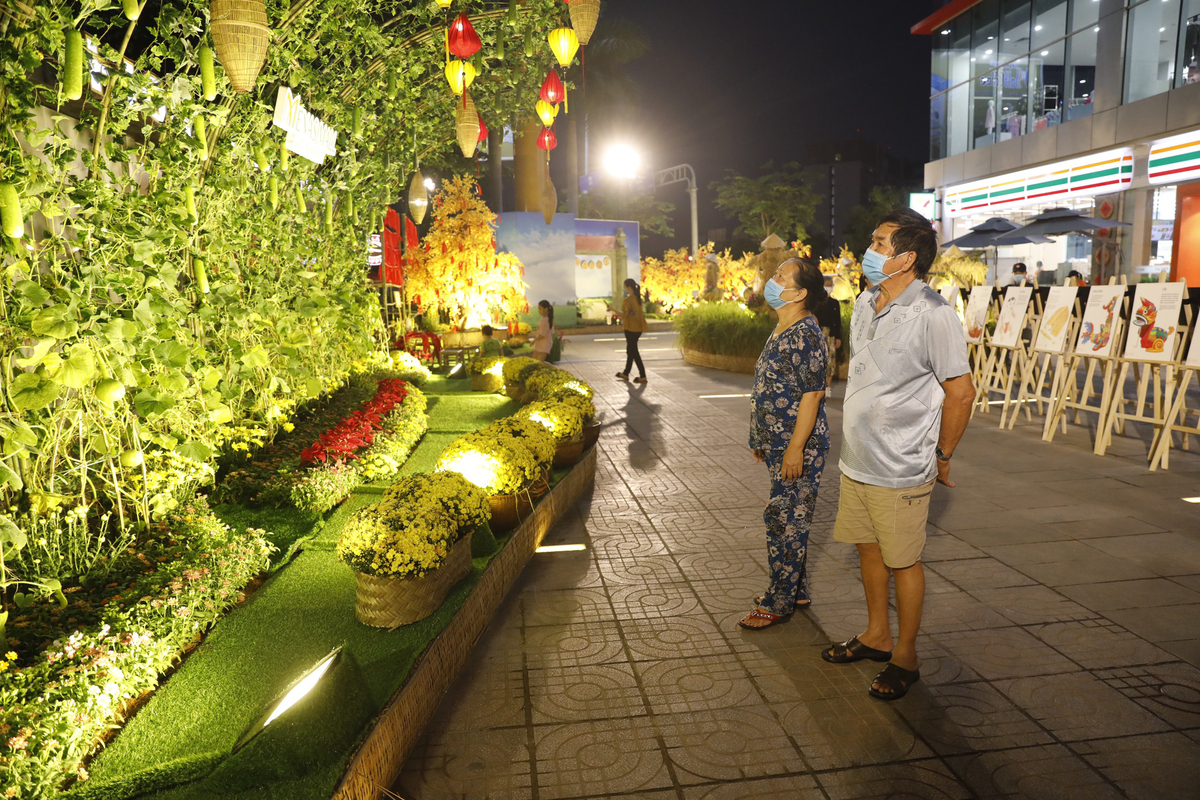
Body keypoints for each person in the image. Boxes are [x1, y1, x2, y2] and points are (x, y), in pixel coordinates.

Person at [822, 209, 975, 701]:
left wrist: (943, 452)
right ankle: (876, 635)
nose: (869, 250)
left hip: (901, 464)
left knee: (903, 561)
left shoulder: (934, 314)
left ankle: (905, 654)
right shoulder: (866, 301)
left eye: (880, 243)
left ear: (907, 257)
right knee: (868, 550)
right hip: (857, 458)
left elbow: (962, 392)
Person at [739, 257, 830, 630]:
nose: (771, 279)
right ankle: (796, 589)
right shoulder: (782, 328)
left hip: (800, 448)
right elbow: (769, 388)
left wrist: (795, 449)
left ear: (799, 292)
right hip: (778, 444)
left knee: (784, 520)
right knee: (790, 518)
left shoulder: (806, 334)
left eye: (780, 275)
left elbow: (812, 395)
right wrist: (759, 437)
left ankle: (778, 602)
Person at [614, 279, 648, 383]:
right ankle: (626, 373)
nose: (624, 289)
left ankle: (643, 375)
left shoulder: (627, 301)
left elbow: (624, 315)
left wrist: (612, 309)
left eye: (624, 287)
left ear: (628, 287)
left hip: (630, 328)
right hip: (638, 328)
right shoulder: (638, 299)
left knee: (633, 352)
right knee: (631, 351)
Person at [814, 288, 843, 383]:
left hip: (830, 334)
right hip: (818, 333)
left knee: (830, 360)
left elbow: (837, 321)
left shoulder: (834, 303)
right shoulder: (815, 303)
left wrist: (838, 336)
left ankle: (828, 386)